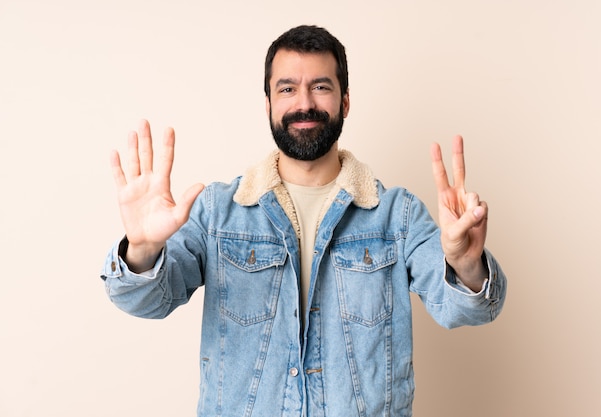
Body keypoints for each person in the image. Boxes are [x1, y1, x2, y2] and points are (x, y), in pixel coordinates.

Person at [101, 24, 507, 417]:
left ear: (345, 101)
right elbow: (145, 301)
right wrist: (142, 248)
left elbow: (467, 310)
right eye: (287, 88)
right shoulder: (218, 212)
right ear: (269, 106)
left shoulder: (396, 215)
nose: (304, 103)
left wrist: (466, 262)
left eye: (321, 86)